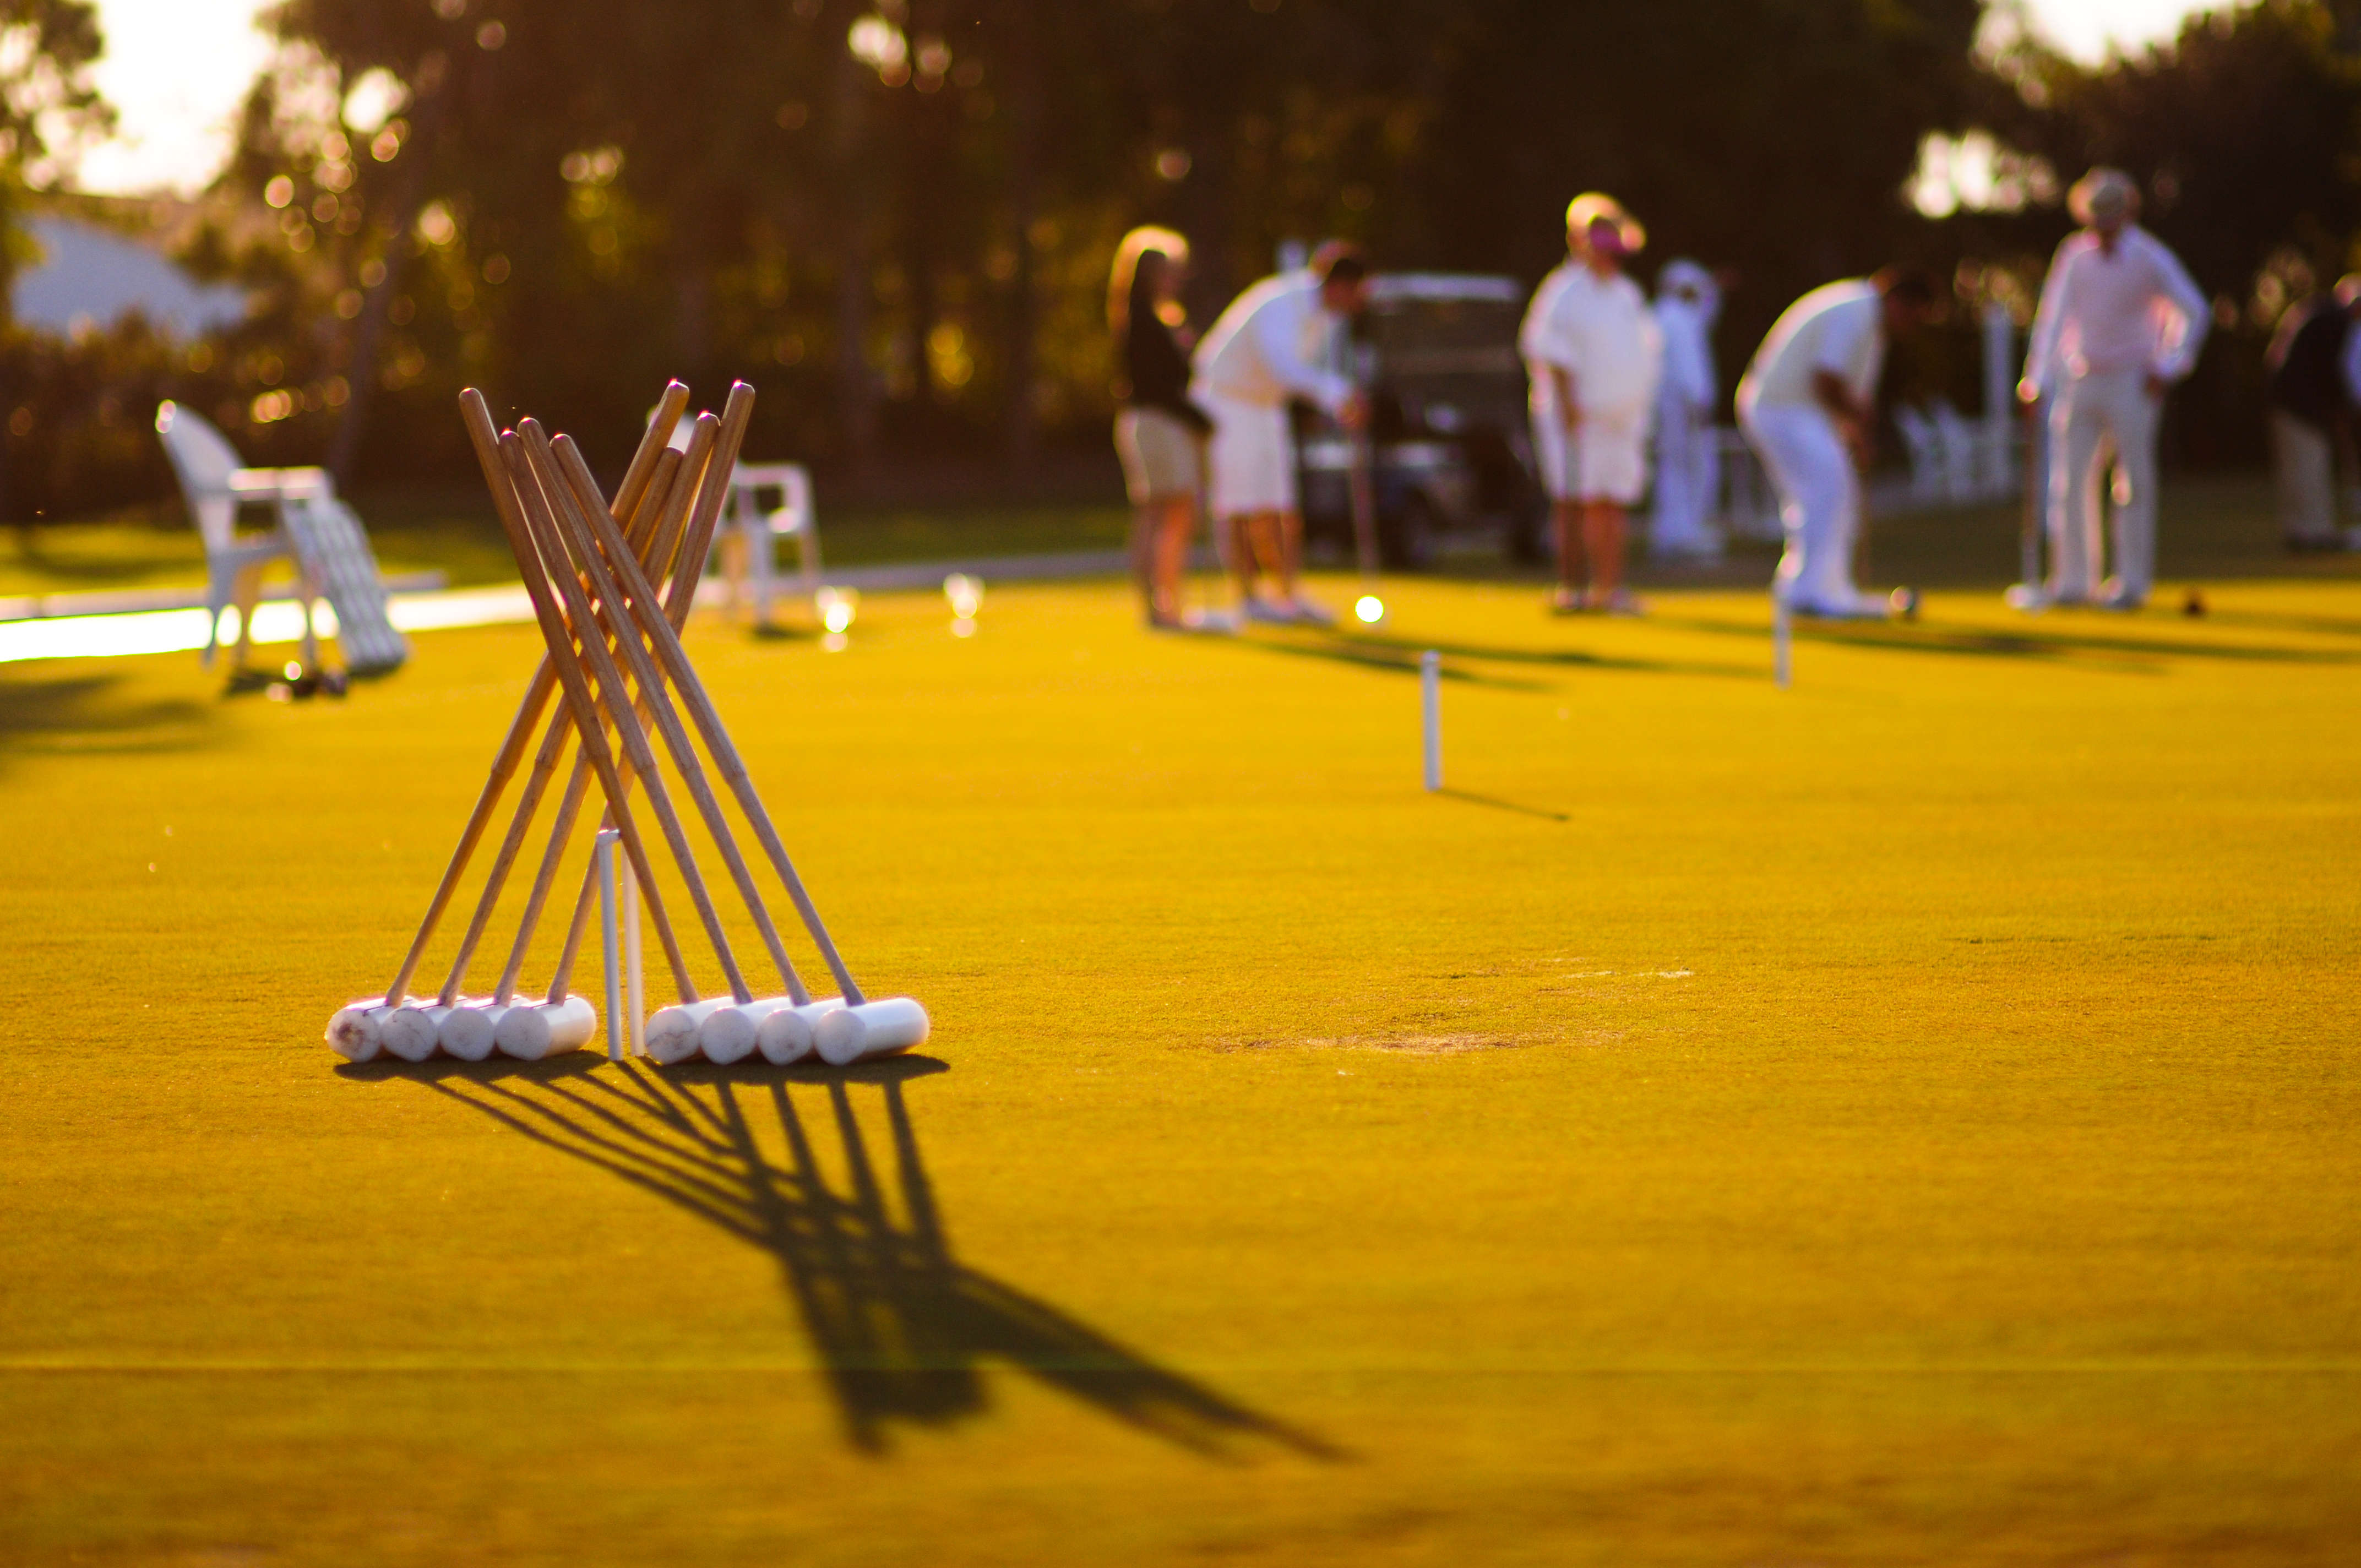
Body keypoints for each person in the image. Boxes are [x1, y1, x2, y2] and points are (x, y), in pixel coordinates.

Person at [2019, 168, 2209, 609]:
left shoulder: (2149, 256)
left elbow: (2194, 310)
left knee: (2133, 483)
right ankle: (2072, 582)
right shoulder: (2074, 255)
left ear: (2128, 213)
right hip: (2081, 378)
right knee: (2069, 482)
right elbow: (2054, 319)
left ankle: (2130, 585)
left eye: (2111, 213)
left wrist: (2168, 365)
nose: (2102, 224)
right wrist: (2037, 380)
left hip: (2132, 381)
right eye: (2095, 214)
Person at [1737, 267, 1936, 618]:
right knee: (1828, 488)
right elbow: (1826, 380)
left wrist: (1856, 434)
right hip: (1782, 406)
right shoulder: (1856, 311)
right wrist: (1859, 418)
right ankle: (1811, 592)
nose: (1910, 327)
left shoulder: (1869, 320)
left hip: (1793, 410)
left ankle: (1824, 588)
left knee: (1829, 491)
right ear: (1896, 300)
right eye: (1912, 315)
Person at [1192, 241, 1371, 625]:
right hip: (1228, 400)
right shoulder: (1279, 303)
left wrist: (1340, 402)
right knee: (1239, 501)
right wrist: (1338, 396)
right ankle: (1248, 596)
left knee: (1280, 502)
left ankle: (1288, 595)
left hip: (1267, 405)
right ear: (1340, 285)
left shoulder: (1332, 318)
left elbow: (1317, 372)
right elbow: (1284, 367)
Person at [1519, 194, 1663, 614]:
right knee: (1573, 499)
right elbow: (1549, 350)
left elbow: (1646, 353)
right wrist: (1566, 404)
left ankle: (1609, 589)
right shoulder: (1563, 292)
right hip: (1577, 417)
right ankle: (1572, 589)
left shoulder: (1627, 295)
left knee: (1611, 501)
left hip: (1620, 419)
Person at [1108, 226, 1214, 628]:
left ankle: (1164, 603)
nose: (1175, 279)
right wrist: (1201, 421)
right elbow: (1159, 387)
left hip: (1158, 422)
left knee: (1163, 512)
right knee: (1165, 510)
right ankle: (1161, 606)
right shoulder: (1144, 323)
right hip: (1157, 423)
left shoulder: (1158, 319)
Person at [2266, 275, 2361, 553]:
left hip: (2285, 398)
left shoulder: (2317, 310)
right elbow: (2339, 373)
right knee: (2309, 464)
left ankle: (2300, 529)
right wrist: (2342, 411)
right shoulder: (2336, 322)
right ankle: (2313, 533)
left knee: (2297, 465)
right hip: (2300, 404)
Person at [1650, 258, 1726, 559]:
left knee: (1677, 471)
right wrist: (1697, 403)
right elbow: (1686, 369)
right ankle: (1680, 535)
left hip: (1675, 410)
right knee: (1687, 473)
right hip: (1684, 411)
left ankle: (1680, 533)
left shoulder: (1669, 316)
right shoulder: (1676, 319)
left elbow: (1710, 309)